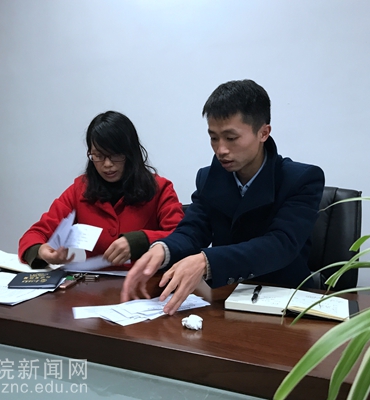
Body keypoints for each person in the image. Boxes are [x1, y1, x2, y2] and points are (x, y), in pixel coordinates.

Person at [121, 79, 325, 314]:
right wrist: (163, 249)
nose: (221, 150)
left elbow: (280, 244)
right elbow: (193, 230)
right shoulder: (210, 177)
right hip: (225, 299)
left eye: (231, 138)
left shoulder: (301, 179)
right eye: (213, 137)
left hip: (284, 302)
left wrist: (206, 261)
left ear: (263, 133)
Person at [18, 111, 184, 269]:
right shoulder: (79, 190)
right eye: (98, 156)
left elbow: (182, 238)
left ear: (130, 153)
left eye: (115, 155)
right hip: (93, 285)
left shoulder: (160, 189)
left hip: (146, 283)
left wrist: (141, 241)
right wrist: (41, 251)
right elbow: (35, 234)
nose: (107, 164)